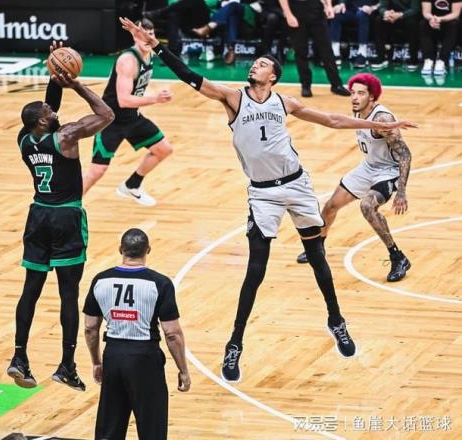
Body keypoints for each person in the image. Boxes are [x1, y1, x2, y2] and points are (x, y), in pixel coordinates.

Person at [119, 18, 416, 382]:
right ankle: (235, 344)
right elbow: (190, 76)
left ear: (273, 76)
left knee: (318, 258)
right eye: (255, 63)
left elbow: (333, 120)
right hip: (263, 194)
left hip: (298, 186)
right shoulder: (232, 98)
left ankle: (336, 320)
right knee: (255, 270)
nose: (254, 66)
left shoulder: (284, 102)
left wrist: (380, 125)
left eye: (261, 64)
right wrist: (156, 44)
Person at [7, 42, 115, 391]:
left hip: (37, 216)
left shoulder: (25, 139)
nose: (53, 110)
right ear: (43, 121)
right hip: (65, 218)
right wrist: (76, 85)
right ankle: (67, 365)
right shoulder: (66, 136)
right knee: (69, 294)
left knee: (31, 290)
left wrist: (55, 75)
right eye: (48, 111)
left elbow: (47, 107)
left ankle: (19, 356)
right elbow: (106, 115)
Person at [296, 74, 412, 284]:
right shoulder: (358, 111)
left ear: (372, 96)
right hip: (368, 167)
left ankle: (398, 257)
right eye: (352, 93)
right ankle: (317, 249)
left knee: (367, 206)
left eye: (361, 93)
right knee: (331, 206)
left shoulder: (382, 119)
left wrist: (401, 192)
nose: (355, 98)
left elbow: (405, 154)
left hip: (388, 171)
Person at [83, 228, 191, 440]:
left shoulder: (100, 280)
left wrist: (96, 362)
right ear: (147, 250)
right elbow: (172, 333)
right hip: (145, 358)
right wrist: (183, 370)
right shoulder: (159, 283)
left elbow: (90, 328)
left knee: (109, 429)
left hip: (113, 356)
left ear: (120, 249)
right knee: (152, 429)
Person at [83, 19, 174, 207]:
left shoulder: (149, 55)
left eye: (151, 34)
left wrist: (156, 93)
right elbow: (123, 100)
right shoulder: (128, 60)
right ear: (134, 36)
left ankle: (132, 185)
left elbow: (137, 90)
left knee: (163, 149)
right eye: (142, 34)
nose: (147, 38)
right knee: (97, 171)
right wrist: (155, 98)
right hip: (110, 121)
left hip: (132, 117)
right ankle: (68, 206)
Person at [278, 0, 352, 97]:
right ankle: (305, 85)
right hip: (296, 9)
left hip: (316, 8)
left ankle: (336, 85)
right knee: (301, 51)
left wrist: (329, 5)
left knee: (327, 49)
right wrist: (288, 14)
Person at [371, 0, 421, 70]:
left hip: (407, 17)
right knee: (379, 20)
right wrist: (386, 13)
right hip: (391, 17)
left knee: (412, 23)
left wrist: (400, 15)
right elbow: (382, 7)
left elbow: (415, 9)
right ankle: (381, 57)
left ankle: (413, 59)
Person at [330, 0, 380, 68]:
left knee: (363, 15)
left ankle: (362, 53)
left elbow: (382, 3)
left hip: (369, 11)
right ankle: (335, 53)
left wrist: (373, 7)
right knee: (336, 15)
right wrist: (341, 4)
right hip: (351, 9)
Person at [420, 0, 462, 75]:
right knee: (423, 24)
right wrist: (432, 19)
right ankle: (428, 60)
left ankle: (442, 61)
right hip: (432, 22)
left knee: (454, 24)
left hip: (448, 21)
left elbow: (456, 14)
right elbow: (426, 12)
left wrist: (440, 19)